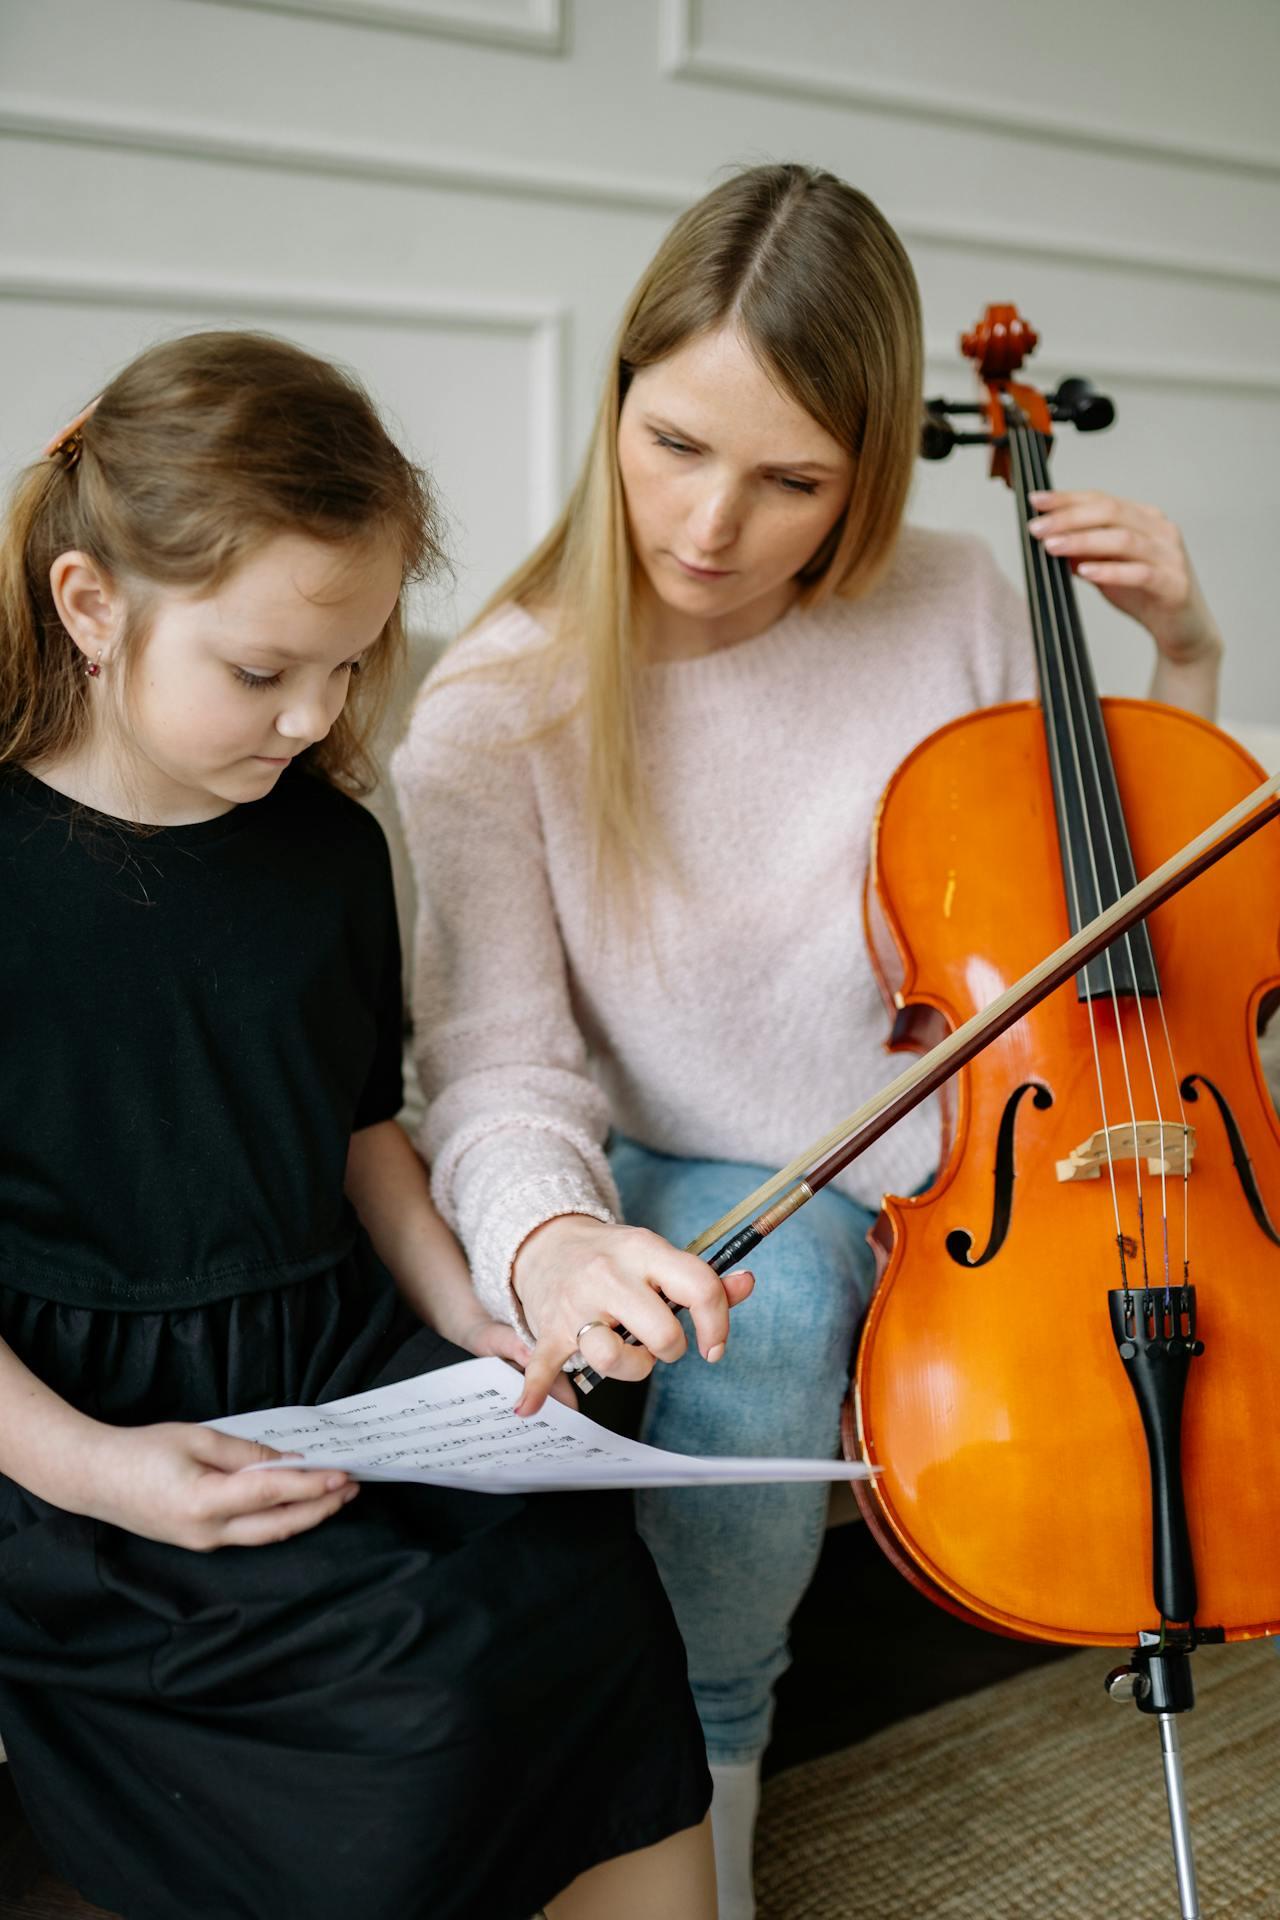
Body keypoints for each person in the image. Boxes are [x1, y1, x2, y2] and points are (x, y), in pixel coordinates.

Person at [392, 164, 1224, 1918]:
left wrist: (1188, 663)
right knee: (747, 1344)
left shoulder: (953, 602)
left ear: (866, 470)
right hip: (695, 1165)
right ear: (616, 392)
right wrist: (548, 1240)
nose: (711, 528)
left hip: (953, 1140)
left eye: (791, 483)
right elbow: (496, 1064)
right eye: (677, 443)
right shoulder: (499, 706)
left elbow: (1084, 924)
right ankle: (712, 1780)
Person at [0, 331, 726, 1920]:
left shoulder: (323, 845)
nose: (315, 713)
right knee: (408, 1692)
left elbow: (355, 1131)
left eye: (353, 663)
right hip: (66, 1420)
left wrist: (464, 1298)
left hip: (325, 1345)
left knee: (576, 1583)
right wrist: (101, 1473)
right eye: (264, 672)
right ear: (90, 606)